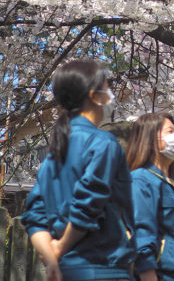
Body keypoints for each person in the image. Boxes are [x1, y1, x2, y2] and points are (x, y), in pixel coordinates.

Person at [22, 59, 136, 281]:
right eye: (107, 87)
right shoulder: (103, 143)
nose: (111, 94)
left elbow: (35, 216)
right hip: (104, 268)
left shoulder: (52, 157)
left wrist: (52, 257)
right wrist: (61, 247)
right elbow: (89, 202)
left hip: (66, 271)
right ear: (94, 96)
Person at [126, 113, 174, 281]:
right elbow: (141, 236)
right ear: (150, 138)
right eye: (170, 131)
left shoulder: (170, 186)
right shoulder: (141, 180)